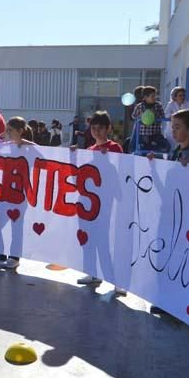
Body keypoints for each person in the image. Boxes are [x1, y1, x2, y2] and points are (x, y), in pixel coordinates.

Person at [71, 111, 125, 294]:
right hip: (87, 204)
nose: (97, 132)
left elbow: (120, 173)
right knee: (88, 240)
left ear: (108, 128)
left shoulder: (115, 148)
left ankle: (116, 281)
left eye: (100, 128)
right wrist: (72, 156)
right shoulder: (89, 151)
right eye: (93, 128)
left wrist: (108, 157)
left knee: (104, 243)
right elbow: (78, 174)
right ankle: (92, 273)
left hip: (106, 205)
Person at [0, 117, 34, 270]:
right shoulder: (6, 146)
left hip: (20, 195)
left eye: (10, 131)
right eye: (6, 130)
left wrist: (28, 143)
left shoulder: (30, 148)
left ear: (20, 131)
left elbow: (46, 156)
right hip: (5, 193)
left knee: (16, 227)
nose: (7, 133)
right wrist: (1, 137)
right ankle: (0, 255)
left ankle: (14, 257)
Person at [131, 86, 167, 154]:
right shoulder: (139, 106)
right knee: (144, 150)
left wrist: (156, 115)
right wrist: (140, 116)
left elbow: (163, 116)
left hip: (156, 133)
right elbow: (133, 116)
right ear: (145, 97)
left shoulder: (158, 105)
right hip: (143, 134)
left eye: (155, 96)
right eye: (152, 96)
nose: (154, 98)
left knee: (166, 147)